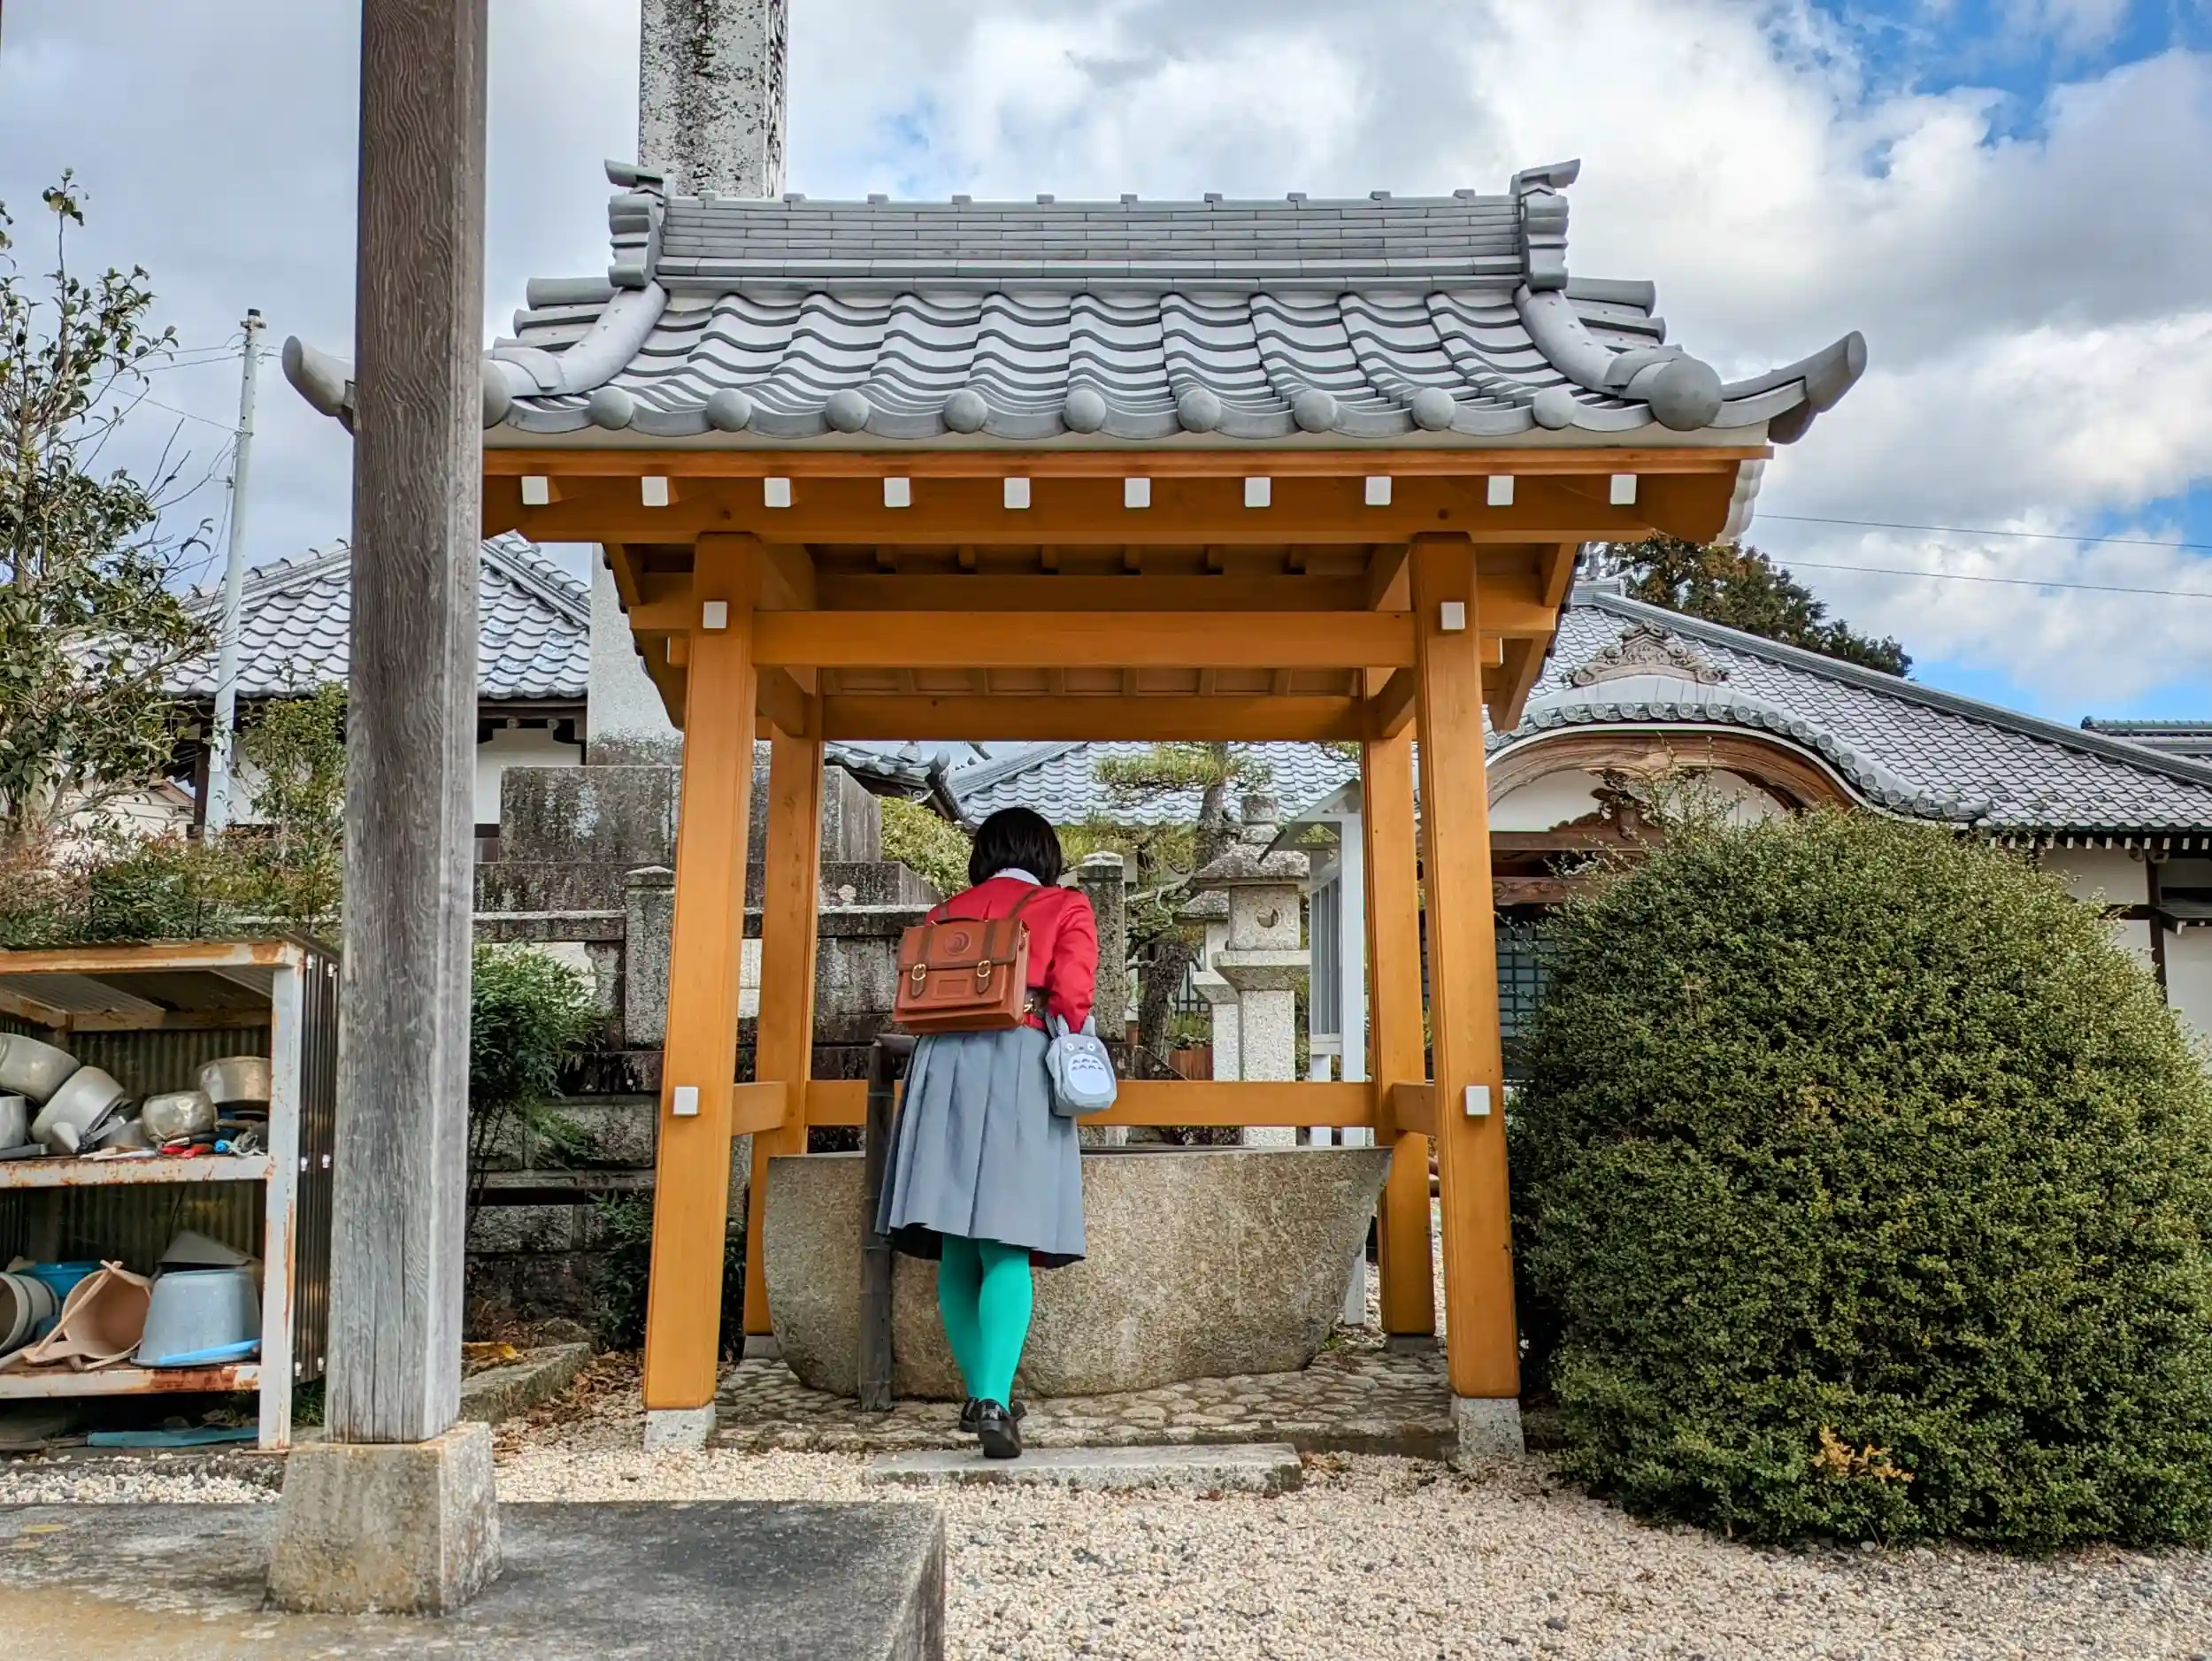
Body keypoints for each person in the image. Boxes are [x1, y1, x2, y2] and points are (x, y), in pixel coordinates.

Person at [875, 807, 1097, 1458]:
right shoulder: (1065, 906)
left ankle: (979, 1393)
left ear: (985, 855)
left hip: (940, 1064)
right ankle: (997, 1401)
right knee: (1006, 1240)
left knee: (956, 1244)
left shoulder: (943, 913)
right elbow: (1073, 997)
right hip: (1018, 1057)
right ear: (1045, 855)